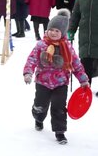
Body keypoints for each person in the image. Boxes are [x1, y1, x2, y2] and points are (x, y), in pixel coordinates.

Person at [23, 9, 89, 144]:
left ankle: (60, 132)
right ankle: (38, 117)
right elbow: (32, 59)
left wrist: (83, 79)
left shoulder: (67, 47)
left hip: (61, 83)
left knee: (59, 108)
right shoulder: (41, 45)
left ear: (62, 33)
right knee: (40, 105)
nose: (53, 33)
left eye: (57, 31)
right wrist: (28, 73)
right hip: (43, 82)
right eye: (51, 29)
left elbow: (76, 64)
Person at [68, 0, 98, 97]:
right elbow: (76, 14)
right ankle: (86, 88)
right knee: (85, 62)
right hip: (85, 34)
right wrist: (71, 30)